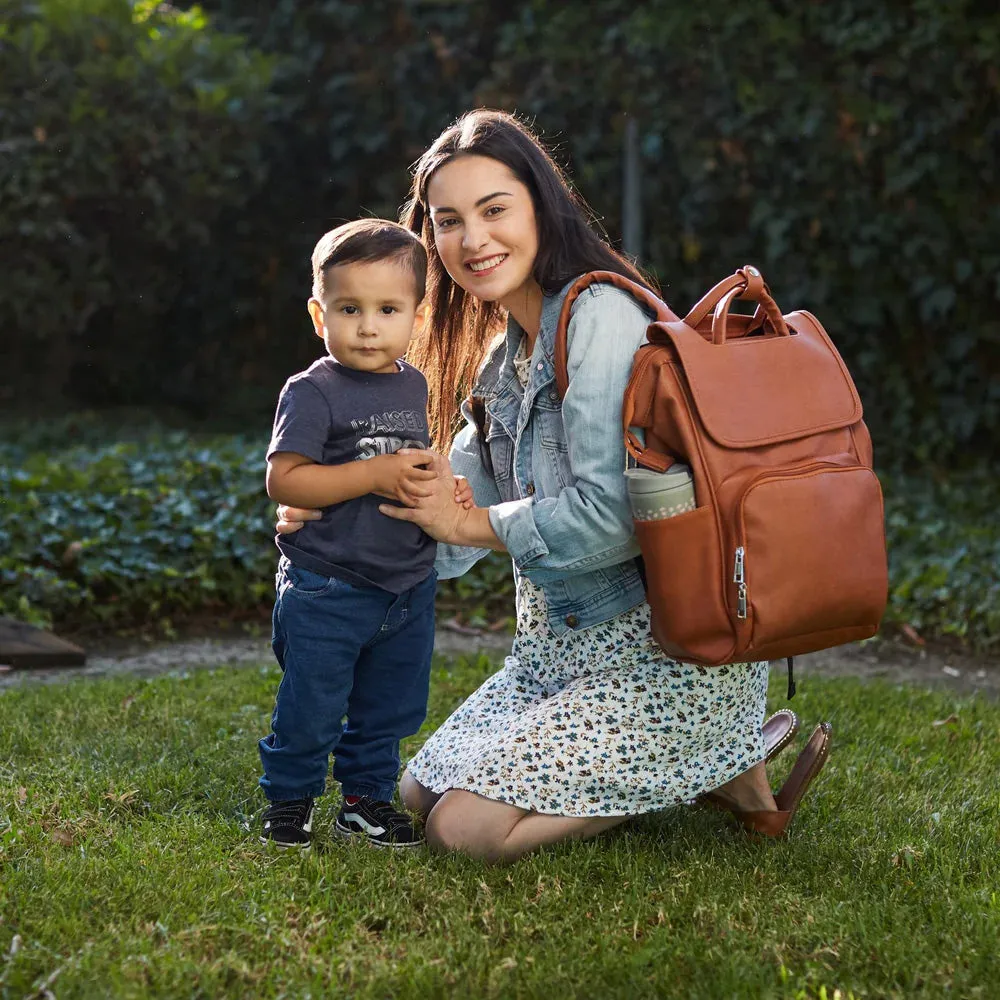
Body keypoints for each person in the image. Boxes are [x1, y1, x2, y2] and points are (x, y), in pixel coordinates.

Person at [276, 111, 832, 863]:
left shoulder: (599, 319)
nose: (474, 240)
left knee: (460, 833)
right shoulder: (504, 352)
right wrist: (334, 504)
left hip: (663, 657)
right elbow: (443, 502)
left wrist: (472, 528)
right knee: (413, 795)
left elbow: (609, 520)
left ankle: (713, 756)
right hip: (555, 657)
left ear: (541, 204)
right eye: (449, 221)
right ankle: (705, 768)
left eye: (494, 209)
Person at [259, 218, 471, 850]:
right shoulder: (312, 391)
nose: (369, 326)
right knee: (312, 706)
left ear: (416, 316)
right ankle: (290, 801)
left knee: (390, 707)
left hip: (407, 585)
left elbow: (413, 456)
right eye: (349, 309)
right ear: (319, 316)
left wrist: (444, 483)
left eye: (387, 309)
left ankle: (366, 801)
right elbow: (286, 481)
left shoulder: (413, 383)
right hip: (332, 584)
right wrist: (372, 474)